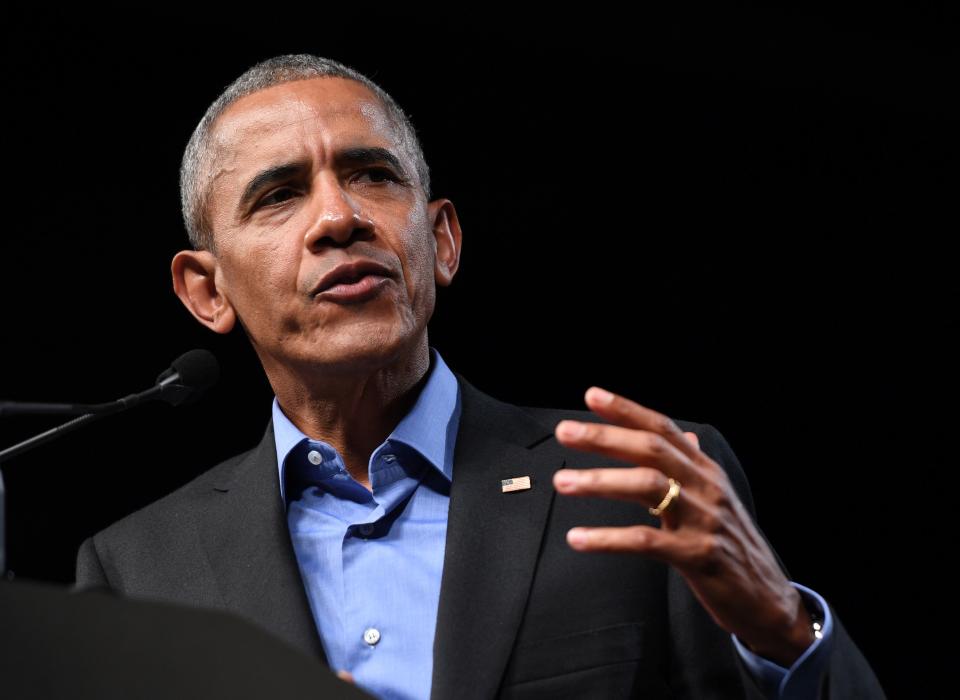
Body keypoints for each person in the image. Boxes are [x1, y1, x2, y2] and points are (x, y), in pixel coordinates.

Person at [74, 54, 884, 699]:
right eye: (280, 195)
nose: (339, 218)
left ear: (442, 242)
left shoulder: (641, 481)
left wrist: (784, 633)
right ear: (207, 291)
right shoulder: (136, 570)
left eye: (373, 175)